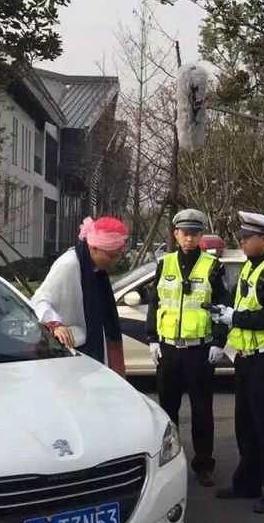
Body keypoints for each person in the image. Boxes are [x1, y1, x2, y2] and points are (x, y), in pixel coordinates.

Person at [211, 210, 264, 514]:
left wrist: (235, 317)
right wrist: (224, 326)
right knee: (245, 424)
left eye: (248, 237)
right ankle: (248, 481)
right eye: (242, 237)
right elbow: (240, 305)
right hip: (246, 359)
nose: (243, 242)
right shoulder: (250, 267)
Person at [145, 208, 229, 487]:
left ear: (201, 235)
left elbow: (222, 307)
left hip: (199, 350)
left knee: (202, 410)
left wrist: (219, 341)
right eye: (184, 233)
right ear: (176, 234)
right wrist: (152, 338)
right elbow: (155, 303)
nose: (189, 238)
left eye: (194, 233)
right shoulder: (164, 264)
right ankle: (169, 462)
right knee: (167, 410)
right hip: (169, 349)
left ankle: (203, 465)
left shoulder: (213, 266)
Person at [31, 216, 130, 376]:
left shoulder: (97, 270)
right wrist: (56, 324)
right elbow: (39, 300)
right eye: (111, 256)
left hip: (93, 348)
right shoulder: (69, 264)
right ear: (93, 248)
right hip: (70, 355)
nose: (115, 261)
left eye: (118, 256)